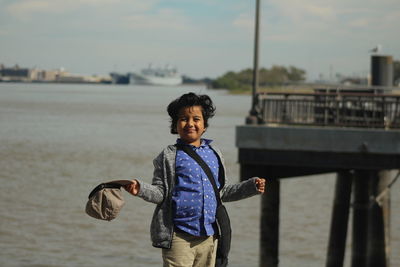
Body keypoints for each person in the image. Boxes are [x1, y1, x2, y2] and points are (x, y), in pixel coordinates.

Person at [124, 92, 266, 267]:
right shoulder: (168, 156)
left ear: (204, 125)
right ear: (176, 125)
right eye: (184, 119)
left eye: (196, 119)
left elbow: (222, 193)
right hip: (178, 236)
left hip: (209, 236)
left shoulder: (215, 154)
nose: (190, 123)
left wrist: (251, 186)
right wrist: (140, 189)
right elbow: (161, 193)